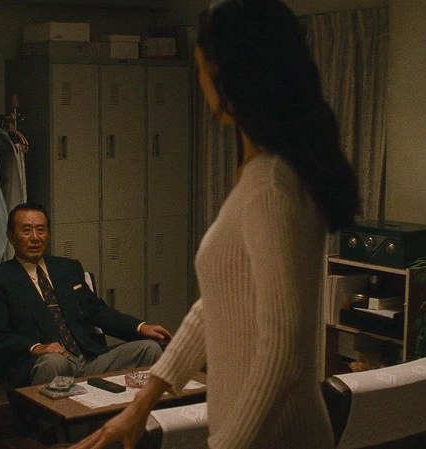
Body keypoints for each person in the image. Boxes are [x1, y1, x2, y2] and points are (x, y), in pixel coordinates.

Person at [72, 0, 359, 448]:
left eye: (202, 68)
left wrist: (225, 445)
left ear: (230, 75)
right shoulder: (267, 173)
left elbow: (282, 350)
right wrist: (142, 403)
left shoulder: (271, 185)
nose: (201, 82)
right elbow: (218, 305)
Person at [0, 202, 173, 387]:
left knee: (149, 349)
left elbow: (97, 311)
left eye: (41, 230)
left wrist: (140, 327)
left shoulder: (68, 268)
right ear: (11, 236)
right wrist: (37, 348)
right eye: (27, 230)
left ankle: (142, 410)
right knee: (54, 363)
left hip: (90, 359)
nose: (35, 237)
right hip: (49, 362)